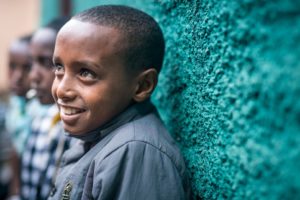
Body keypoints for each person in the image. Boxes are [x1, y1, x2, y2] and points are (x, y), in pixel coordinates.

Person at [49, 5, 191, 200]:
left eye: (86, 73)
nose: (61, 90)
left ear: (142, 86)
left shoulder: (136, 153)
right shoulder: (98, 134)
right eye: (59, 68)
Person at [20, 17, 70, 200]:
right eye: (32, 63)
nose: (33, 76)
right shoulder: (40, 119)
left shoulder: (76, 128)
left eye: (46, 63)